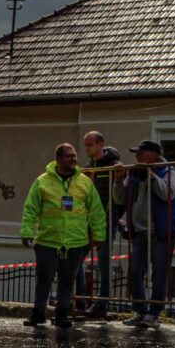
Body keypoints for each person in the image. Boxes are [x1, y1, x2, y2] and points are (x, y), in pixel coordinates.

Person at [20, 143, 107, 328]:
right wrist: (27, 231)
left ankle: (61, 315)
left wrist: (99, 236)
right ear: (58, 158)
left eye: (74, 155)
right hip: (48, 240)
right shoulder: (42, 181)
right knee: (44, 279)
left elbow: (96, 211)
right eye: (68, 156)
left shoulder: (84, 182)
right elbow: (31, 208)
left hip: (75, 242)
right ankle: (38, 313)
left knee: (67, 281)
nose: (73, 159)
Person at [111, 140, 175, 328]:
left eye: (141, 153)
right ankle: (140, 311)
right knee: (134, 273)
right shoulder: (135, 173)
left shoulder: (168, 170)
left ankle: (154, 314)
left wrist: (150, 174)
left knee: (159, 273)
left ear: (155, 155)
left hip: (161, 232)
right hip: (140, 233)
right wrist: (119, 179)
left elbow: (167, 194)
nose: (137, 157)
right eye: (137, 153)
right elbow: (119, 198)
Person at [76, 131, 121, 318]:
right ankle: (80, 299)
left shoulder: (112, 166)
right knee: (76, 259)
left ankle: (102, 301)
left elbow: (120, 195)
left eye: (90, 144)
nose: (87, 148)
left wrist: (116, 217)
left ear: (100, 144)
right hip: (88, 222)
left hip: (107, 220)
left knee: (103, 262)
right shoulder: (86, 169)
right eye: (85, 145)